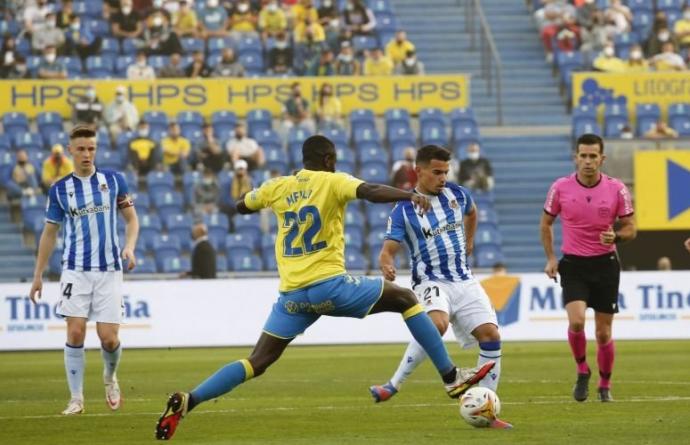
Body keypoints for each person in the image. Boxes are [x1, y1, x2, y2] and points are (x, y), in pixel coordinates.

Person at [155, 135, 495, 440]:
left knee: (257, 361)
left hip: (291, 297)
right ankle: (451, 377)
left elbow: (241, 205)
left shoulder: (279, 186)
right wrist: (410, 194)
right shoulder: (334, 182)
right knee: (406, 298)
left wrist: (251, 195)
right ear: (330, 161)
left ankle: (190, 400)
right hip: (329, 286)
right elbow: (371, 192)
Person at [368, 145, 511, 429]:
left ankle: (487, 408)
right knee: (436, 325)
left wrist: (470, 241)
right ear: (418, 171)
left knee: (491, 334)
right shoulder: (403, 210)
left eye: (446, 171)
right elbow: (388, 250)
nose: (443, 177)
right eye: (436, 172)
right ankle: (393, 385)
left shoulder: (457, 194)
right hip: (430, 280)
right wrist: (386, 264)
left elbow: (472, 213)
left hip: (463, 278)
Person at [29, 124, 140, 416]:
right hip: (75, 270)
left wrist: (129, 246)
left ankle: (110, 376)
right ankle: (76, 399)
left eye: (91, 148)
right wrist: (38, 275)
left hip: (109, 270)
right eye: (81, 149)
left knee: (109, 338)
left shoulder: (114, 181)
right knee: (76, 331)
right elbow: (49, 234)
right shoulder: (59, 190)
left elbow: (131, 220)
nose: (87, 154)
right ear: (70, 151)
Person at [540, 133, 636, 403]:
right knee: (577, 320)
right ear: (576, 157)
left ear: (602, 158)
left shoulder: (617, 189)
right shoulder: (560, 187)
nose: (588, 161)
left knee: (603, 333)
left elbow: (631, 227)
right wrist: (550, 259)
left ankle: (604, 385)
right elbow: (545, 223)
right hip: (573, 265)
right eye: (583, 155)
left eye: (593, 156)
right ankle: (582, 369)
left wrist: (616, 236)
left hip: (605, 265)